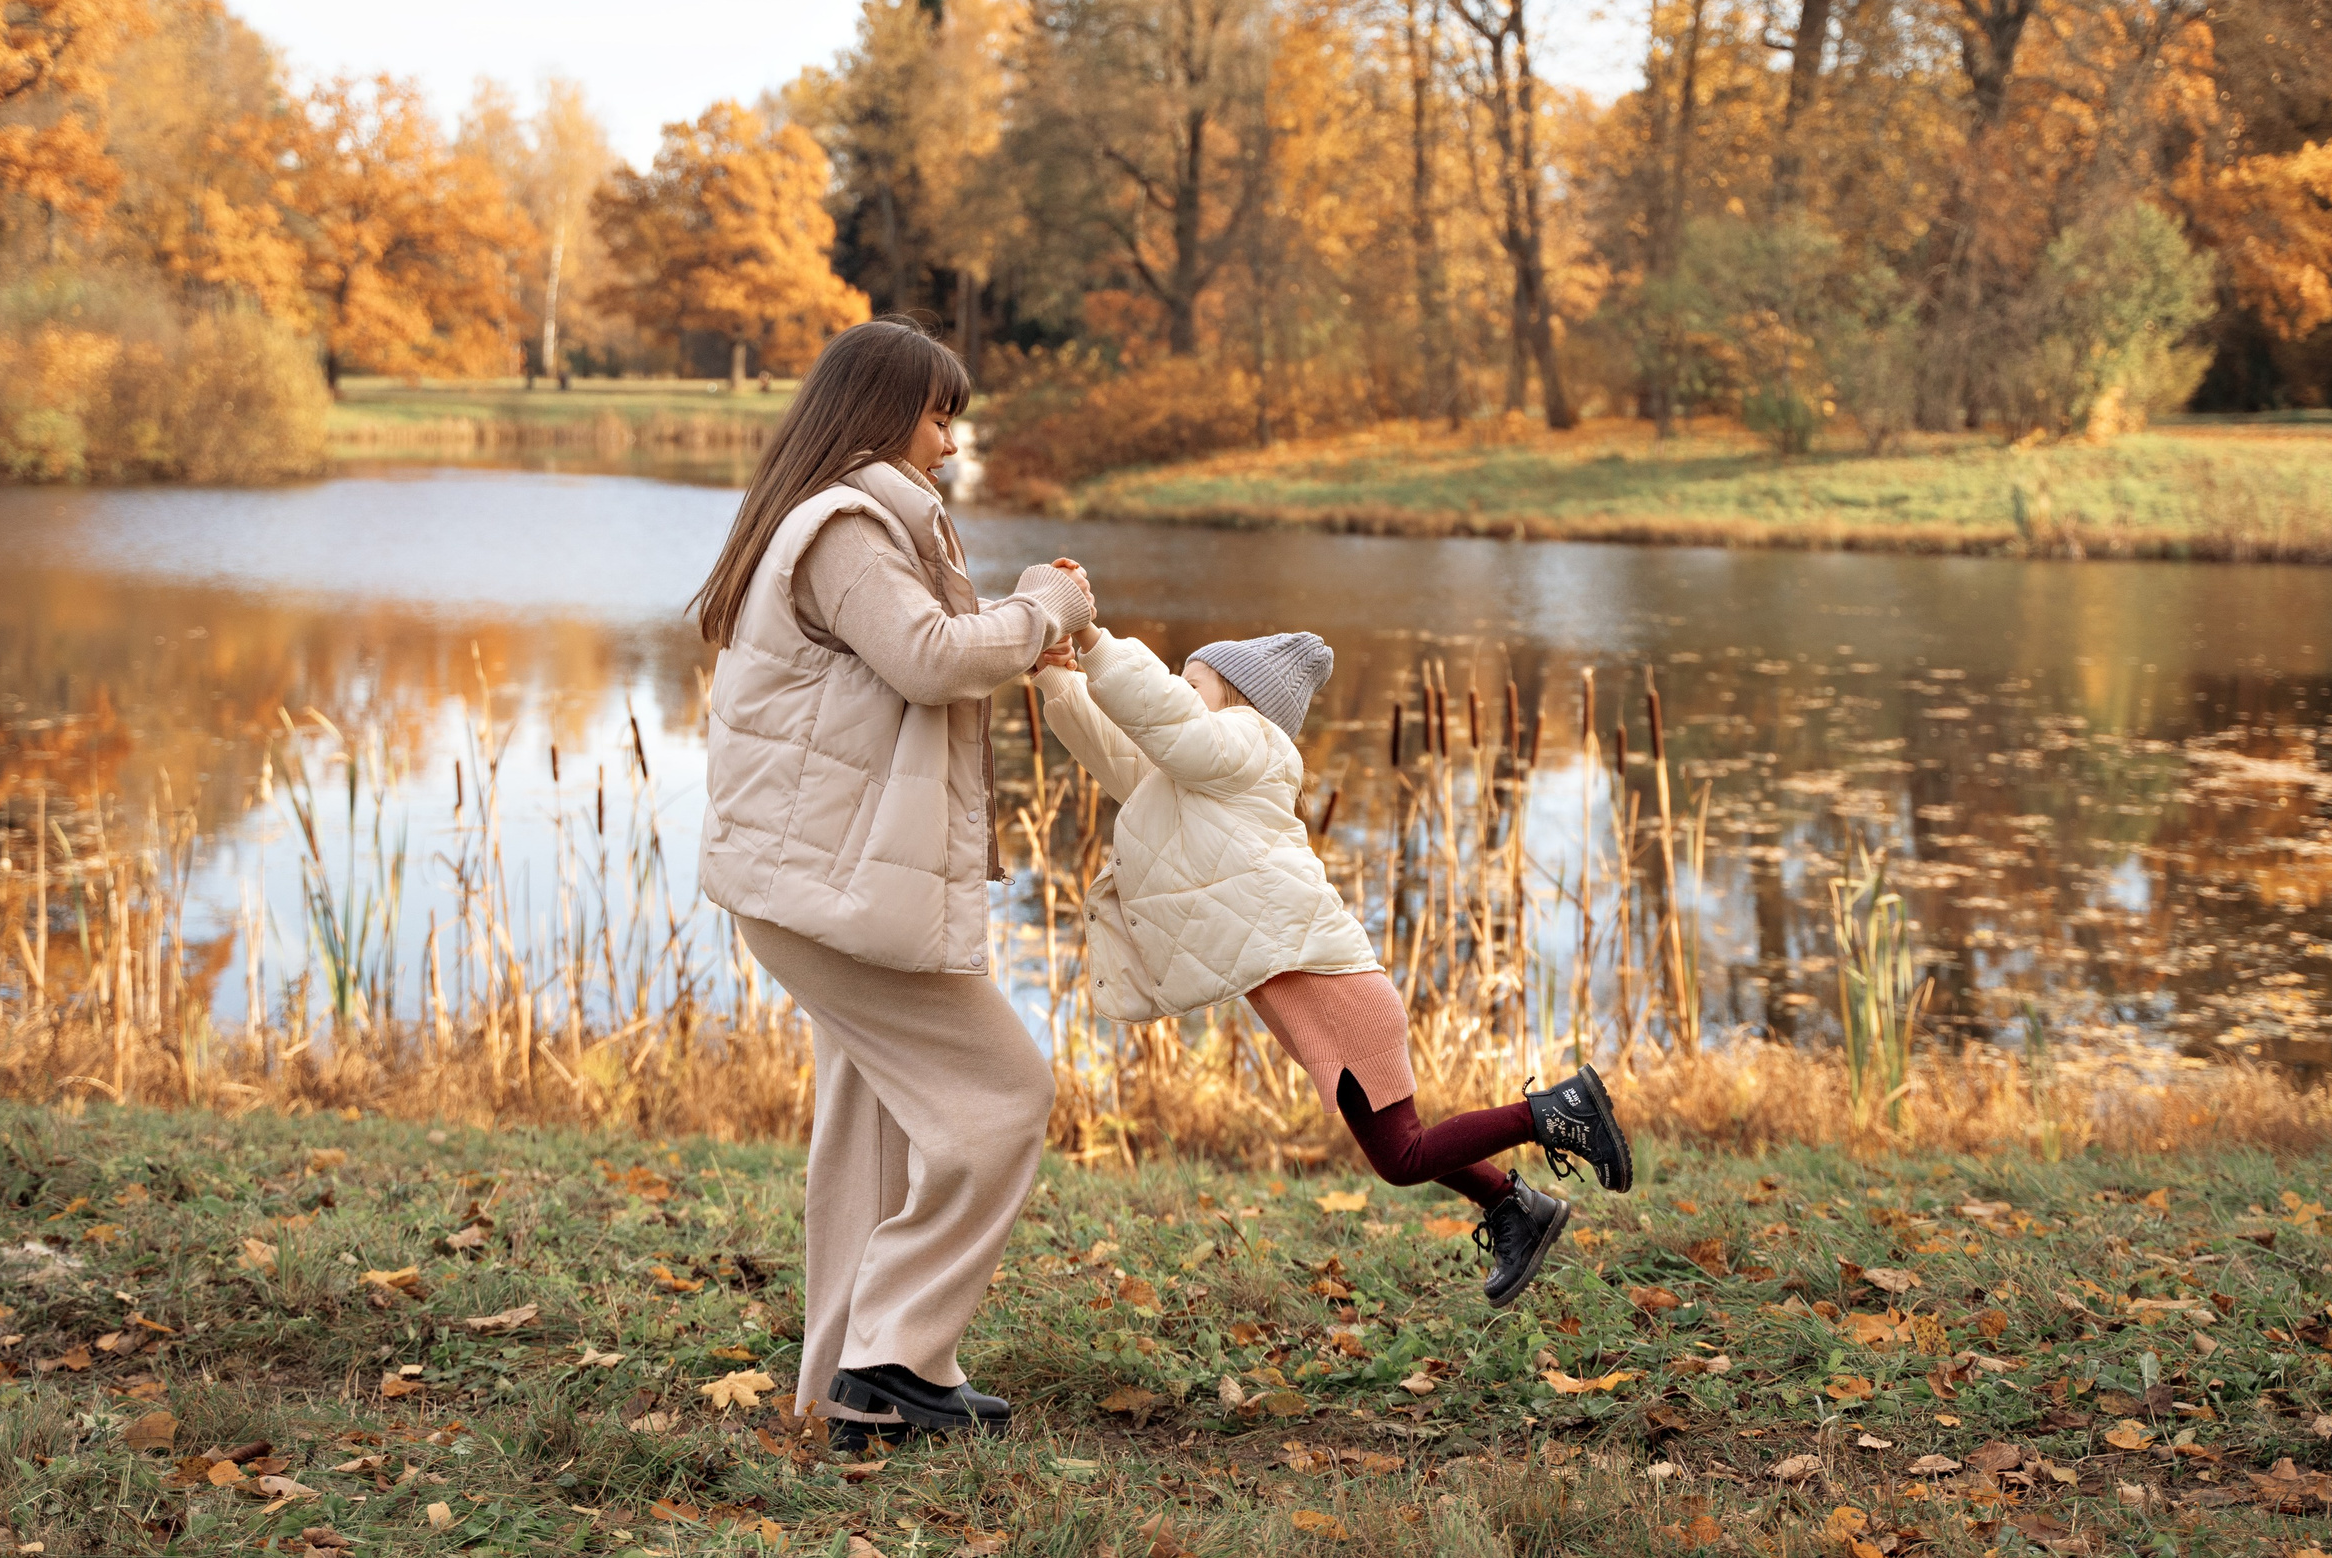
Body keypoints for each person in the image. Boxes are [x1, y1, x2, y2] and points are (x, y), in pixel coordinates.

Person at [690, 317, 1093, 1445]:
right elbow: (925, 659)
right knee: (1003, 1096)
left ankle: (841, 1388)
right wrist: (1045, 606)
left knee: (867, 1131)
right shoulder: (851, 527)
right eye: (936, 413)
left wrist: (1015, 634)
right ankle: (894, 1358)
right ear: (879, 415)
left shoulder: (856, 526)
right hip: (826, 892)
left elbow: (926, 653)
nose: (950, 439)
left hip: (812, 884)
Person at [1031, 621, 1634, 1307]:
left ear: (1238, 700)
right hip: (1324, 994)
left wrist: (1098, 641)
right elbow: (1121, 752)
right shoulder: (1199, 778)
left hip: (1337, 992)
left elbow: (1165, 721)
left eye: (1191, 682)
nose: (1177, 689)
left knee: (1403, 1156)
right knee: (1395, 1150)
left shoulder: (1252, 747)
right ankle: (1516, 1206)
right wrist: (1057, 674)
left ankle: (1560, 1112)